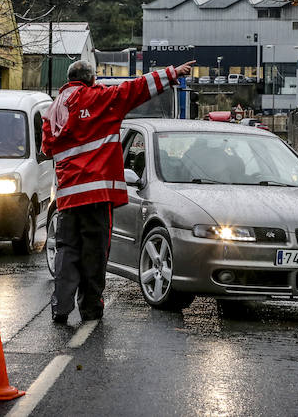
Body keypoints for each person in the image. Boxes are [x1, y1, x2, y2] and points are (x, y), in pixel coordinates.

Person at [42, 59, 195, 324]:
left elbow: (47, 149)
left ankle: (60, 309)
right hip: (95, 196)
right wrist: (172, 72)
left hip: (67, 196)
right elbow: (135, 89)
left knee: (67, 253)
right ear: (91, 80)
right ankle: (90, 310)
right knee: (94, 254)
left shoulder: (54, 109)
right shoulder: (99, 98)